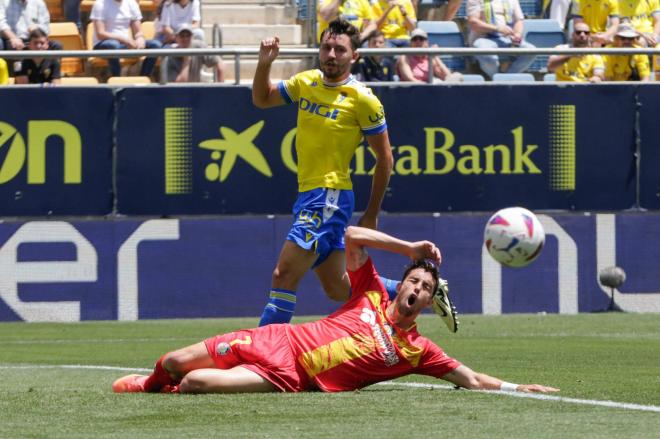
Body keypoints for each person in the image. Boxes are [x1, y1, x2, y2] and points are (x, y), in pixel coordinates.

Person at [112, 225, 559, 395]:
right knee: (171, 362)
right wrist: (409, 248)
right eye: (414, 280)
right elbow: (352, 236)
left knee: (192, 381)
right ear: (400, 285)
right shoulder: (368, 292)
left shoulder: (417, 351)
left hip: (288, 375)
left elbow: (471, 379)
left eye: (426, 288)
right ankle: (149, 384)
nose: (418, 288)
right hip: (278, 338)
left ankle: (167, 389)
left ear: (427, 302)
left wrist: (518, 387)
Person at [251, 19, 394, 327]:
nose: (331, 54)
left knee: (284, 274)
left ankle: (262, 357)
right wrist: (264, 64)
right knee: (337, 287)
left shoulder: (363, 99)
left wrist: (371, 213)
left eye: (340, 49)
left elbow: (384, 159)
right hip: (310, 193)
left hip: (329, 194)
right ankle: (411, 288)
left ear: (354, 56)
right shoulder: (307, 82)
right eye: (327, 47)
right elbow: (262, 99)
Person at [90, 0, 162, 77]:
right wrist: (124, 39)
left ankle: (144, 78)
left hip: (124, 45)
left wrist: (140, 39)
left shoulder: (131, 3)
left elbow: (138, 32)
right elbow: (100, 34)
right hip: (104, 44)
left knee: (155, 45)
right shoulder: (100, 4)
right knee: (113, 44)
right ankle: (117, 79)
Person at [466, 0, 536, 79]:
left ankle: (506, 79)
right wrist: (497, 29)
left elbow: (518, 20)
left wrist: (517, 34)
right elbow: (473, 23)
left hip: (508, 39)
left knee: (531, 51)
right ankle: (497, 78)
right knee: (485, 53)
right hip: (484, 38)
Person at [397, 28, 463, 83]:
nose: (418, 41)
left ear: (426, 43)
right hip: (410, 92)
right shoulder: (405, 58)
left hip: (427, 91)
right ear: (410, 43)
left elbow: (446, 76)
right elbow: (410, 79)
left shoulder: (429, 57)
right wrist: (428, 87)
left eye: (421, 39)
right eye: (414, 39)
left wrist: (435, 56)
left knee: (457, 76)